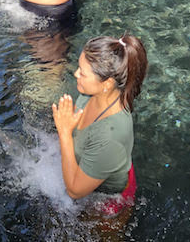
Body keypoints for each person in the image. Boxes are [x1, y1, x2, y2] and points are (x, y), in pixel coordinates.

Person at [52, 34, 146, 200]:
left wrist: (64, 133)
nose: (75, 74)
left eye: (83, 73)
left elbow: (74, 192)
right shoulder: (95, 94)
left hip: (107, 202)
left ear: (107, 83)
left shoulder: (111, 137)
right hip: (101, 162)